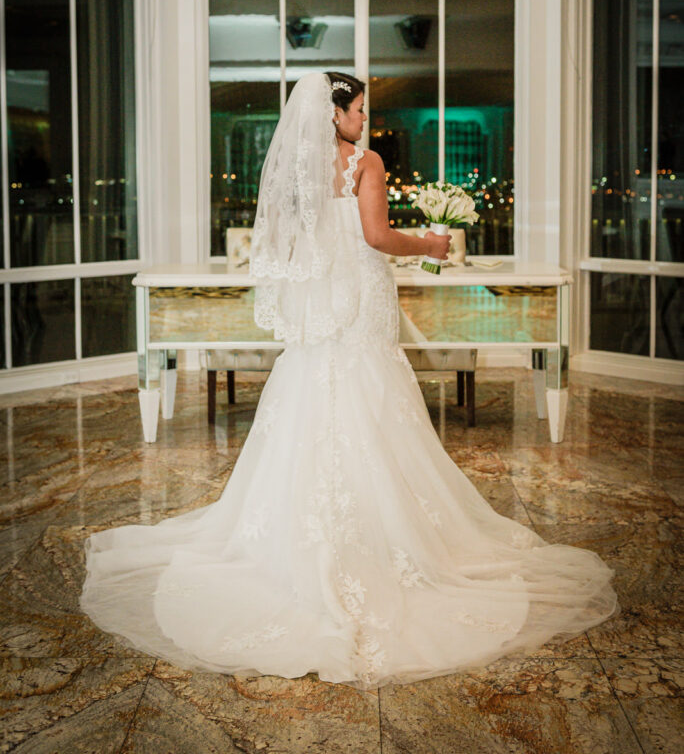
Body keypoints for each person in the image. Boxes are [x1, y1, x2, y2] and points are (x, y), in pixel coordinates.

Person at [80, 71, 619, 691]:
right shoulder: (366, 162)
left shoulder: (295, 168)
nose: (366, 119)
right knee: (374, 395)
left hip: (322, 307)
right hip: (360, 299)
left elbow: (286, 243)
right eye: (360, 109)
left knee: (314, 399)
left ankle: (294, 546)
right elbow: (376, 236)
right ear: (335, 112)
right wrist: (433, 244)